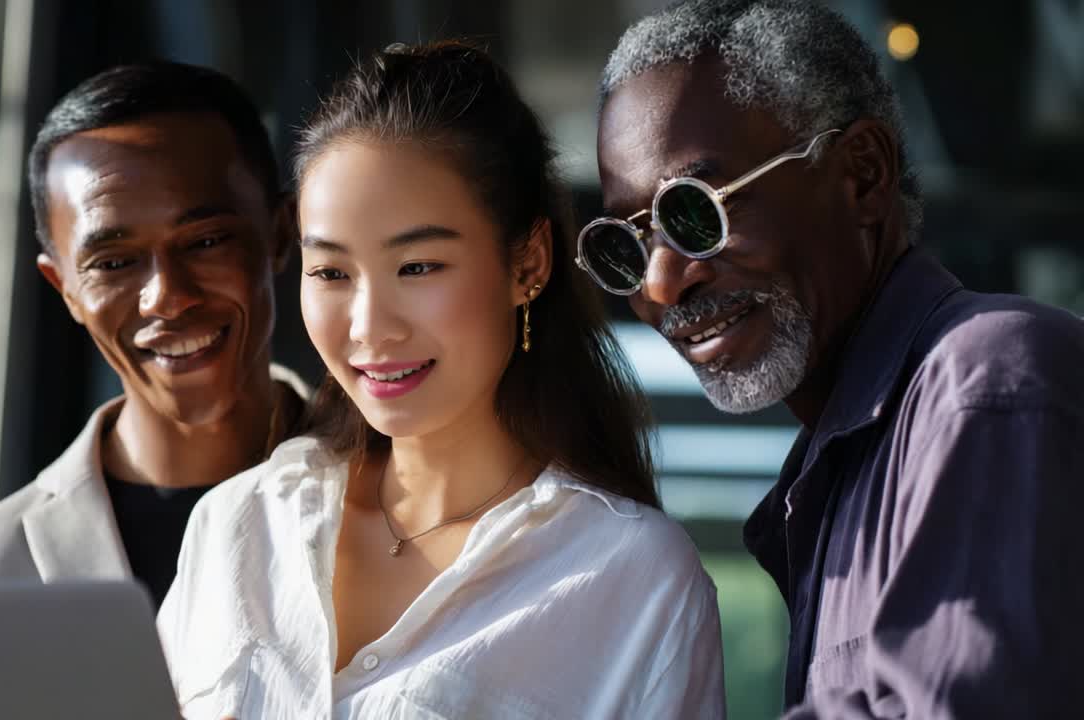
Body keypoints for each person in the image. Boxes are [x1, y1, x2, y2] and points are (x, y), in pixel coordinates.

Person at [157, 42, 726, 719]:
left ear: (528, 264)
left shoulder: (633, 580)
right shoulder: (241, 524)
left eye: (419, 267)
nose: (368, 327)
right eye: (332, 272)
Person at [582, 1, 1084, 717]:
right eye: (621, 248)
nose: (661, 282)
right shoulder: (838, 476)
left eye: (696, 213)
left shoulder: (987, 383)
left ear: (863, 176)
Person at [0, 61, 310, 609]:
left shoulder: (413, 495)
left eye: (205, 242)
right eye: (114, 262)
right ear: (65, 290)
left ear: (280, 234)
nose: (167, 297)